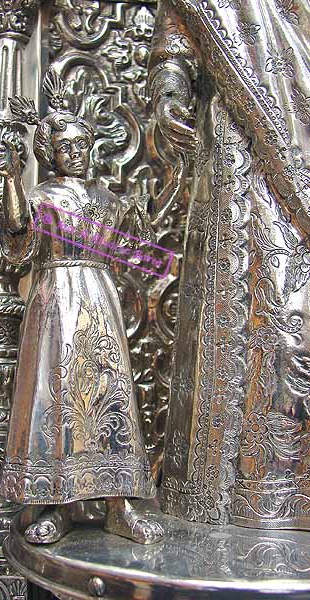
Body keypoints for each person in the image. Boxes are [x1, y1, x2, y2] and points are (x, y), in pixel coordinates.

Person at [149, 0, 310, 529]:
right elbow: (178, 35)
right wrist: (170, 87)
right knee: (245, 297)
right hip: (235, 143)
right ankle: (225, 490)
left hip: (300, 115)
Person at [0, 69, 163, 544]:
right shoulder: (42, 198)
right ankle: (59, 503)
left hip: (99, 299)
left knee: (108, 396)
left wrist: (147, 214)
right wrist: (8, 177)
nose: (78, 156)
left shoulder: (108, 199)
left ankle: (117, 503)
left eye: (83, 147)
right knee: (58, 395)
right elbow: (18, 242)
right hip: (53, 301)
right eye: (68, 149)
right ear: (48, 154)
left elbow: (142, 257)